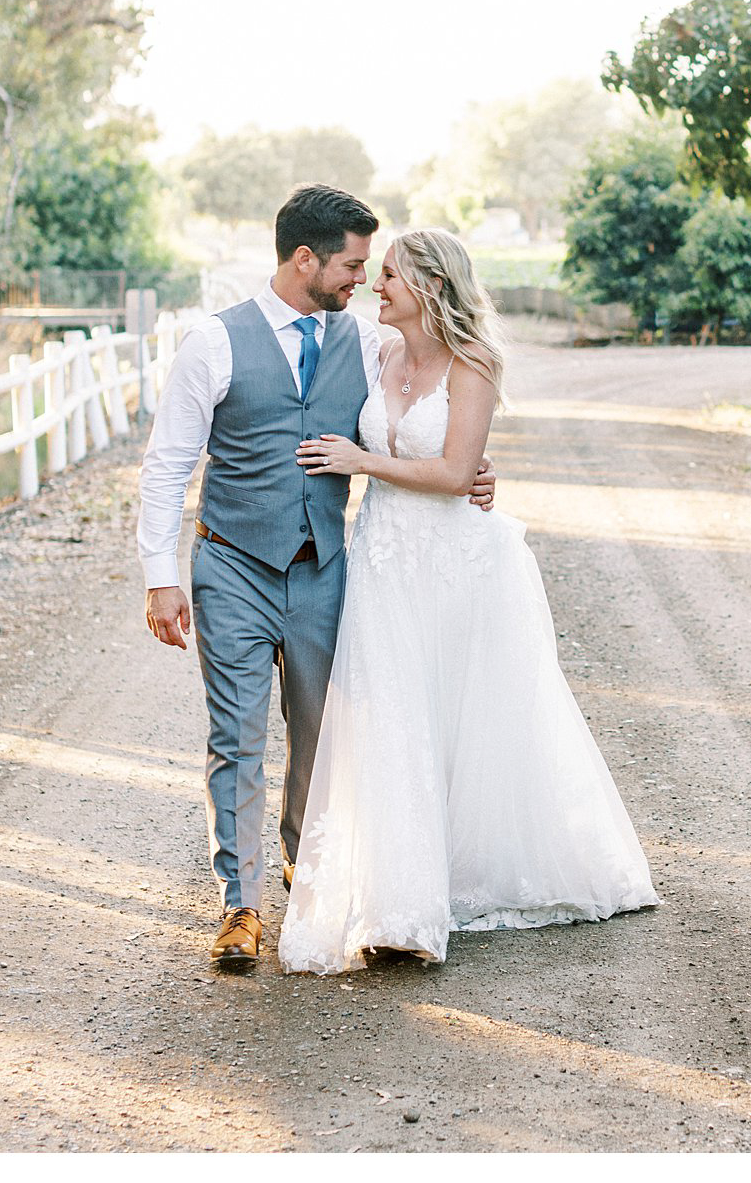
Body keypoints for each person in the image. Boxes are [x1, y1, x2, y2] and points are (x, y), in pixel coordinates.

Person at [276, 227, 657, 974]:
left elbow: (455, 472)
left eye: (389, 277)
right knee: (391, 721)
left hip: (451, 563)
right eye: (375, 274)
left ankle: (459, 880)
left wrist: (365, 460)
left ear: (431, 288)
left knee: (466, 722)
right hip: (382, 562)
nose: (376, 287)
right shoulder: (379, 353)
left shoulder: (474, 361)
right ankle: (396, 900)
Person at [138, 185, 496, 970]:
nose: (361, 282)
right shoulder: (215, 343)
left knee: (319, 738)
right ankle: (240, 905)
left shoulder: (365, 343)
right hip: (231, 564)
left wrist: (469, 469)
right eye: (351, 265)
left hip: (327, 572)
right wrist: (162, 578)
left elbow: (412, 413)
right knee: (233, 738)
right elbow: (167, 467)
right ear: (305, 259)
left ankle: (307, 871)